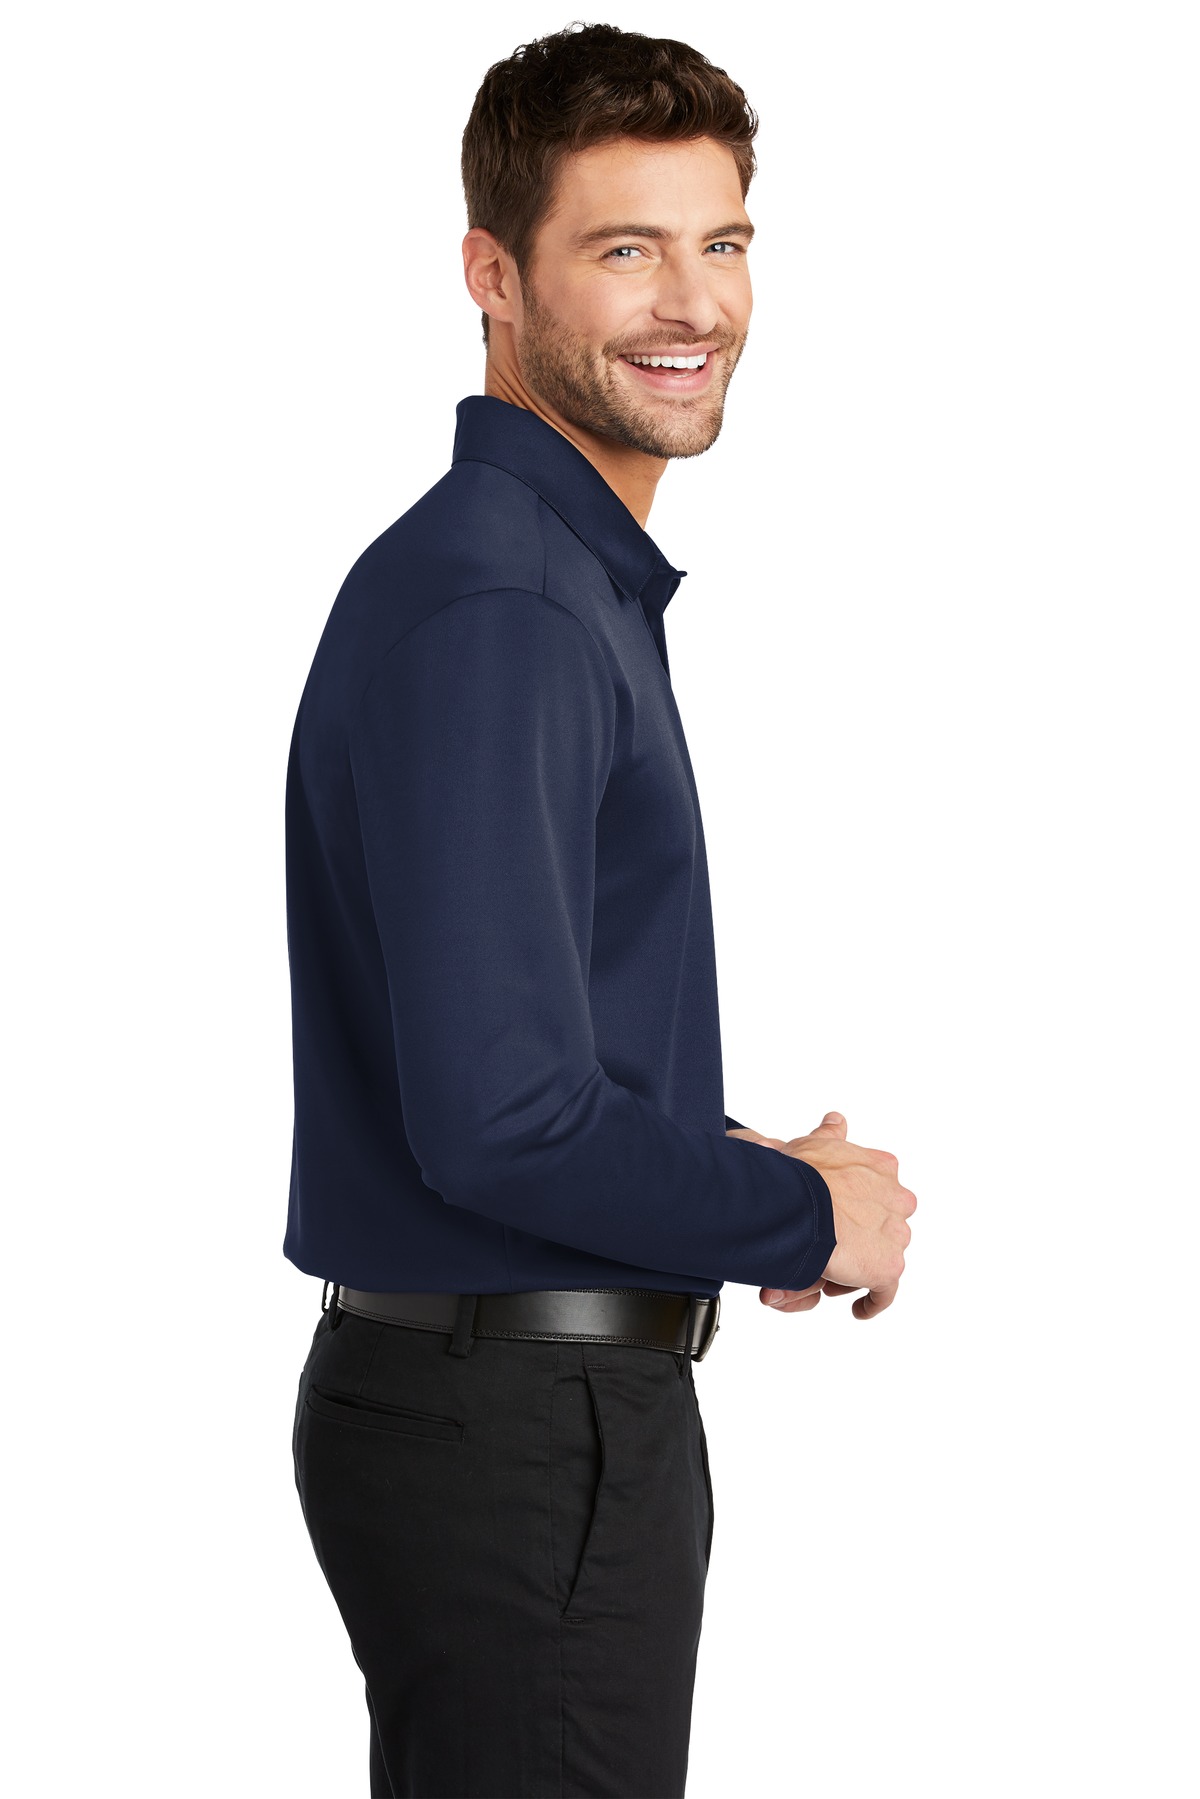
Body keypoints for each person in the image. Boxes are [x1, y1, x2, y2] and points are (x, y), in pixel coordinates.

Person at [285, 22, 917, 1798]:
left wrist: (727, 1168)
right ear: (491, 276)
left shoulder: (542, 580)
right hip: (521, 1432)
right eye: (624, 248)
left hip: (508, 1419)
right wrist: (803, 1215)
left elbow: (504, 1059)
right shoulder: (507, 608)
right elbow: (502, 1120)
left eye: (723, 242)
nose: (691, 303)